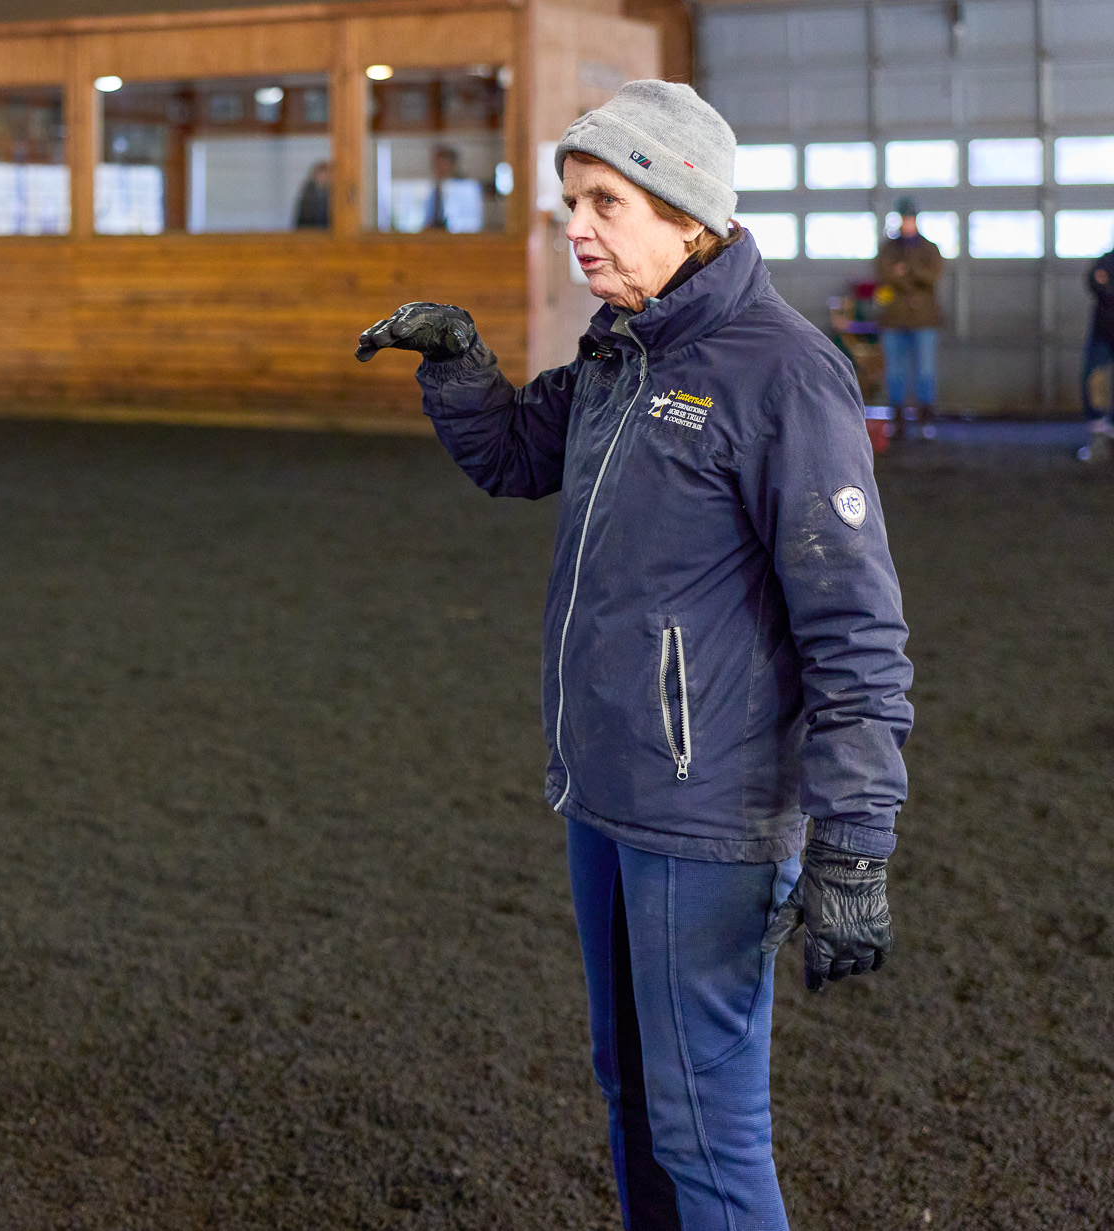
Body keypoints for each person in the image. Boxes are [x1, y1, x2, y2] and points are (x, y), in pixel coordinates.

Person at [357, 80, 911, 1230]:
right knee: (634, 1095)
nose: (577, 225)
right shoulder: (621, 353)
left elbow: (854, 627)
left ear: (685, 211)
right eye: (569, 200)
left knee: (705, 1130)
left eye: (604, 198)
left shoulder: (782, 372)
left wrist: (855, 841)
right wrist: (459, 364)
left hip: (704, 816)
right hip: (602, 792)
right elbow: (516, 454)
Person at [873, 196, 945, 439]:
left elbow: (932, 276)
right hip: (894, 318)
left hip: (924, 319)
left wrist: (906, 271)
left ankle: (925, 419)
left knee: (925, 370)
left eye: (910, 218)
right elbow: (884, 273)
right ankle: (898, 421)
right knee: (895, 372)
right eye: (904, 218)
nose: (907, 223)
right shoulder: (889, 248)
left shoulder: (929, 248)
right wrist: (911, 277)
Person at [1085, 247, 1114, 460]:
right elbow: (1095, 281)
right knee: (1095, 380)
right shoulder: (1108, 258)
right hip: (1104, 332)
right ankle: (1099, 438)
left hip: (1103, 329)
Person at [293, 160, 331, 229]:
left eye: (326, 174)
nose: (323, 178)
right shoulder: (308, 191)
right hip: (309, 233)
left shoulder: (335, 193)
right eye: (320, 174)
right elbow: (302, 217)